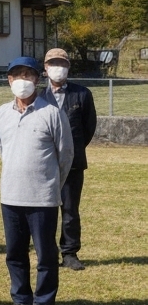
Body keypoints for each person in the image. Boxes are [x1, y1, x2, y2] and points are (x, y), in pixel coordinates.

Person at [0, 57, 73, 305]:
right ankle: (21, 301)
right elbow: (2, 149)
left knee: (46, 254)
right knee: (14, 253)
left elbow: (66, 156)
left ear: (38, 79)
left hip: (42, 197)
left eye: (28, 75)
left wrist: (51, 184)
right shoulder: (2, 113)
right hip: (10, 195)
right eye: (17, 75)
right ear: (9, 80)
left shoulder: (51, 113)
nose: (22, 81)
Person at [42, 48, 97, 271]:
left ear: (68, 67)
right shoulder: (37, 96)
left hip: (73, 163)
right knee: (43, 210)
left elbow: (88, 127)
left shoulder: (82, 94)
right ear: (45, 68)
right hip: (43, 164)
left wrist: (70, 151)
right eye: (53, 63)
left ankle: (70, 252)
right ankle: (46, 252)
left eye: (62, 63)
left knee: (70, 209)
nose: (58, 68)